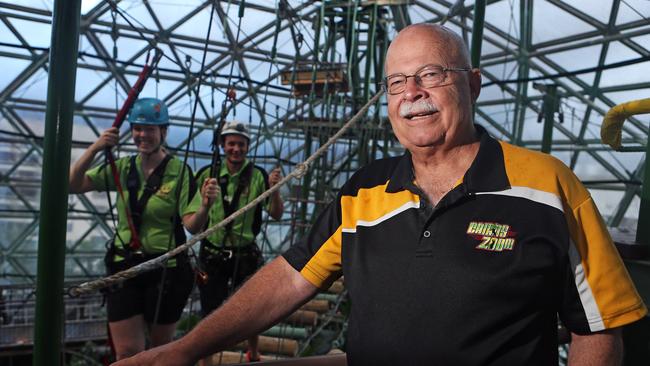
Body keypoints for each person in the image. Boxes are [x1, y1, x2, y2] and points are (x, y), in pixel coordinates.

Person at [113, 24, 647, 366]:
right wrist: (184, 350)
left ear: (474, 83)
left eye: (430, 74)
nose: (411, 94)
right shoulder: (365, 190)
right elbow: (288, 278)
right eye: (396, 83)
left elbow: (598, 329)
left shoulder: (548, 186)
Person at [69, 97, 218, 360]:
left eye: (150, 129)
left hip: (166, 270)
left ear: (163, 132)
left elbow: (192, 226)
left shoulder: (179, 172)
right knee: (127, 352)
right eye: (138, 128)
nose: (142, 135)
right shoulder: (124, 167)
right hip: (125, 266)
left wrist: (205, 207)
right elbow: (73, 184)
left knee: (160, 349)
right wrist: (95, 148)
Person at [191, 121, 284, 363]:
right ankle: (207, 361)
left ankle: (253, 352)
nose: (236, 149)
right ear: (223, 145)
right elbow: (193, 219)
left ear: (247, 147)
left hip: (245, 252)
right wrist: (204, 204)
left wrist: (274, 190)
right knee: (209, 311)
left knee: (251, 308)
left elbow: (276, 213)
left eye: (241, 144)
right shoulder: (206, 175)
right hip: (214, 252)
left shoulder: (258, 176)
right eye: (231, 143)